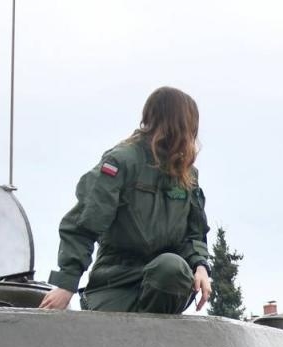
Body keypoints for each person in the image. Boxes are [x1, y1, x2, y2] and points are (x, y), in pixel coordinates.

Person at [41, 87, 212, 314]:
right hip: (115, 278)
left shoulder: (187, 176)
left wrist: (200, 266)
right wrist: (67, 283)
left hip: (166, 282)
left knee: (172, 267)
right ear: (179, 125)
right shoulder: (122, 162)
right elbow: (85, 222)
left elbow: (194, 234)